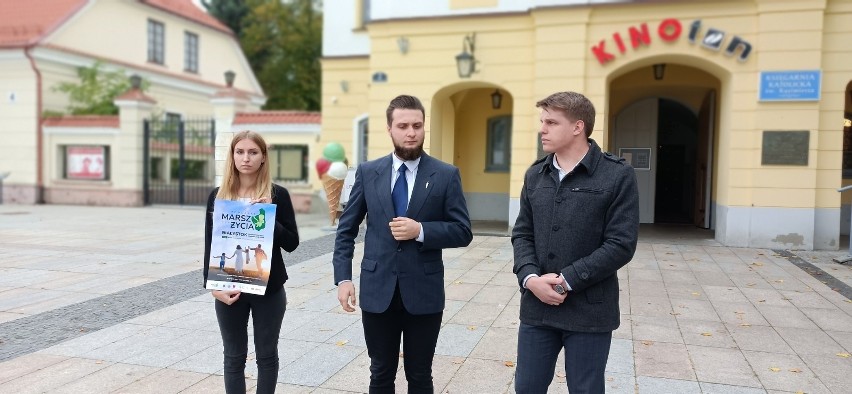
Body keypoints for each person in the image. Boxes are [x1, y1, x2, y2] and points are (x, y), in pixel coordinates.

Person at [333, 94, 473, 393]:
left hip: (424, 292)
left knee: (420, 374)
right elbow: (346, 230)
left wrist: (421, 230)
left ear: (424, 128)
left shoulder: (446, 175)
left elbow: (462, 231)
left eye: (417, 125)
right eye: (403, 126)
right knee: (380, 372)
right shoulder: (368, 173)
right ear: (389, 129)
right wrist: (343, 277)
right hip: (377, 289)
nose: (411, 132)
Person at [511, 91, 639, 394]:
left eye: (551, 122)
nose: (542, 128)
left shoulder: (617, 175)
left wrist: (566, 281)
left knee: (585, 389)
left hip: (590, 310)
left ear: (578, 127)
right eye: (543, 121)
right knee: (527, 388)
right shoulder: (535, 174)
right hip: (537, 306)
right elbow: (522, 233)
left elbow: (621, 244)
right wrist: (530, 279)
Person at [202, 130, 299, 394]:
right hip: (229, 287)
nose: (246, 158)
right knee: (233, 357)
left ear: (264, 158)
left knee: (266, 356)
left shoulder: (278, 195)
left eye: (253, 152)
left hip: (268, 289)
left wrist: (270, 216)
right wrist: (212, 286)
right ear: (232, 157)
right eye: (240, 152)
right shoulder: (218, 196)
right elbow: (210, 243)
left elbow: (292, 243)